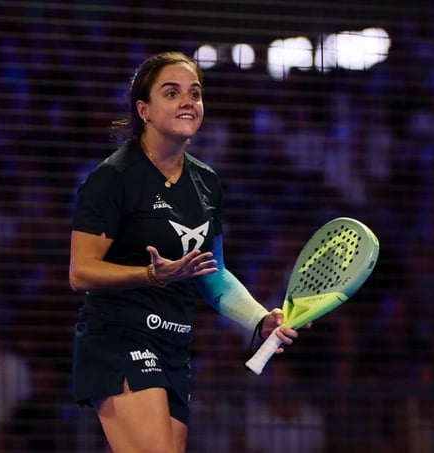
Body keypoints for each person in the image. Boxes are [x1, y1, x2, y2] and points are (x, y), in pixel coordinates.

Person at [69, 51, 304, 453]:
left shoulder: (207, 183)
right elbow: (81, 271)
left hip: (174, 348)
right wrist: (150, 275)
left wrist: (259, 319)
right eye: (172, 92)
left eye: (194, 93)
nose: (187, 101)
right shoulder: (113, 177)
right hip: (119, 338)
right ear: (143, 110)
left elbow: (213, 273)